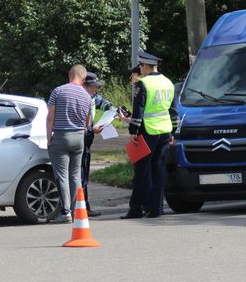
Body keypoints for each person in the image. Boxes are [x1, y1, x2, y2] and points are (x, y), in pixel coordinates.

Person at [122, 50, 178, 219]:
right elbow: (173, 111)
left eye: (140, 65)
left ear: (145, 66)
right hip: (165, 130)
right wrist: (173, 132)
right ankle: (156, 208)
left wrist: (133, 131)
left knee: (142, 171)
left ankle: (136, 209)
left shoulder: (143, 84)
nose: (140, 68)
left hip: (148, 131)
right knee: (159, 170)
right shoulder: (168, 83)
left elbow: (139, 111)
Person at [46, 65, 93, 223]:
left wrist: (48, 137)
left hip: (61, 136)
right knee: (75, 175)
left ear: (69, 75)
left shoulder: (58, 91)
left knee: (62, 175)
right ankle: (75, 210)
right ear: (84, 78)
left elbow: (50, 117)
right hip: (79, 137)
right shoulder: (87, 96)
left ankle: (65, 211)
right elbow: (88, 121)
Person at [80, 72, 116, 218]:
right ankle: (80, 208)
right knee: (80, 174)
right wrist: (91, 128)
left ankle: (85, 207)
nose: (95, 90)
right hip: (80, 138)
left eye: (96, 87)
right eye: (92, 87)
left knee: (85, 174)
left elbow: (104, 103)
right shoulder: (80, 97)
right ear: (84, 85)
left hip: (88, 138)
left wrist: (112, 109)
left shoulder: (93, 96)